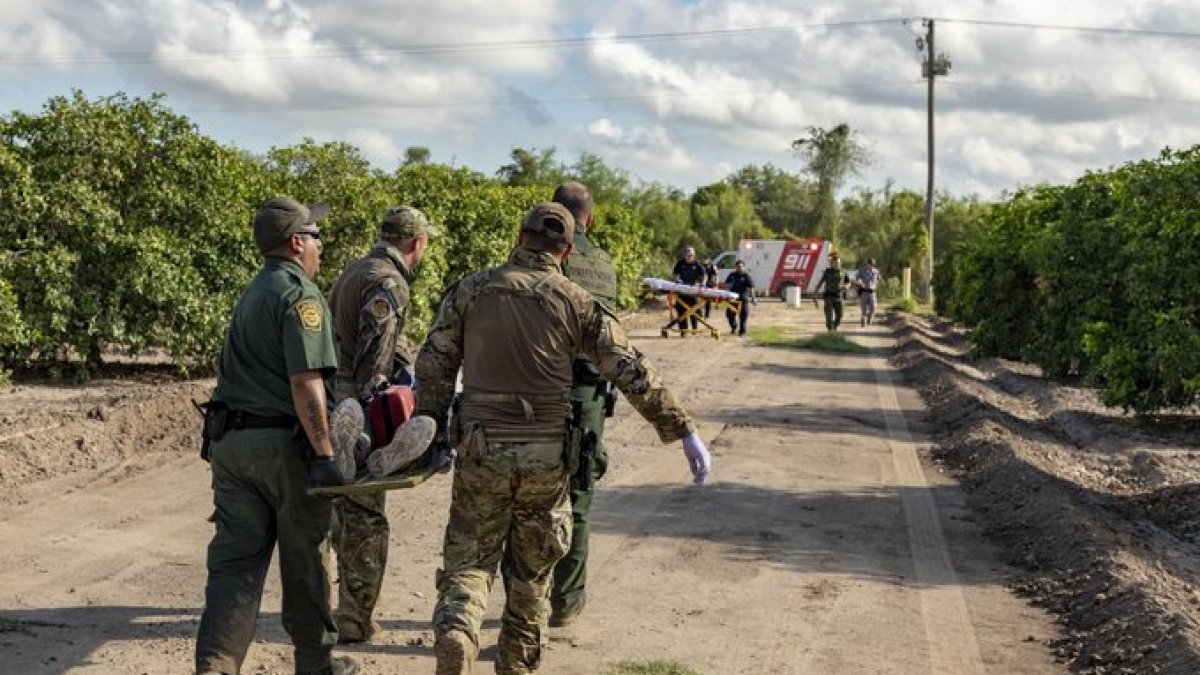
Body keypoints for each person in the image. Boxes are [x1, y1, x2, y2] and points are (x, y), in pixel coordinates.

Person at [416, 203, 712, 675]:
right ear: (568, 250)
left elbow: (434, 362)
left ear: (520, 235)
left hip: (481, 447)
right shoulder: (576, 300)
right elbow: (629, 368)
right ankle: (516, 666)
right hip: (547, 456)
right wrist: (681, 428)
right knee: (533, 576)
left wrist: (428, 428)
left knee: (470, 557)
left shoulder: (470, 290)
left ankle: (459, 627)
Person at [195, 196, 358, 675]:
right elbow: (306, 381)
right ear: (295, 242)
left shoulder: (255, 290)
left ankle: (216, 665)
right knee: (304, 561)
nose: (320, 246)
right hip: (280, 448)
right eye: (315, 236)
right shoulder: (300, 296)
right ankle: (316, 665)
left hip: (231, 446)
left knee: (234, 565)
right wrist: (325, 452)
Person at [325, 205, 437, 644]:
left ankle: (333, 607)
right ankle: (355, 618)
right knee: (365, 515)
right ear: (417, 244)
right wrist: (379, 411)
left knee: (338, 508)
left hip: (332, 395)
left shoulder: (355, 269)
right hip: (356, 401)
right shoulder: (388, 283)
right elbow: (375, 356)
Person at [548, 182, 616, 629]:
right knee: (577, 500)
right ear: (589, 219)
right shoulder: (604, 264)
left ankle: (526, 599)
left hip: (539, 390)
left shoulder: (549, 256)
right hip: (588, 395)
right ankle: (567, 603)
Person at [670, 246, 706, 335]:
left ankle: (694, 328)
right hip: (682, 290)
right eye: (687, 255)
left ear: (693, 255)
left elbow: (704, 275)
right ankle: (683, 331)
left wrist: (703, 284)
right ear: (684, 255)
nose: (689, 257)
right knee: (681, 310)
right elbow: (674, 274)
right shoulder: (680, 263)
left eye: (691, 255)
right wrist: (677, 280)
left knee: (694, 310)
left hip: (693, 290)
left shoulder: (697, 264)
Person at [814, 255, 847, 331]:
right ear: (831, 263)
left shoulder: (843, 271)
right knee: (829, 315)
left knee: (840, 315)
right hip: (828, 297)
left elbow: (847, 282)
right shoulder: (827, 272)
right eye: (835, 263)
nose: (837, 264)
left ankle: (834, 326)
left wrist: (847, 286)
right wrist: (815, 294)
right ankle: (830, 329)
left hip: (839, 297)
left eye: (838, 263)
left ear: (840, 263)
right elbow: (820, 283)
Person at [723, 260, 756, 336]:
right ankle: (734, 326)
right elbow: (726, 285)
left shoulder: (746, 276)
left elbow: (752, 287)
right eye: (738, 266)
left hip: (743, 298)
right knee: (729, 314)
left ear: (744, 267)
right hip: (732, 298)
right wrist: (728, 287)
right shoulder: (731, 275)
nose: (739, 268)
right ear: (735, 267)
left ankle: (742, 331)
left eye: (741, 266)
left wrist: (753, 298)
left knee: (743, 315)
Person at [856, 258, 880, 326]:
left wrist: (878, 282)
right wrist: (860, 282)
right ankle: (863, 319)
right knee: (864, 308)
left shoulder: (876, 271)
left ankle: (870, 316)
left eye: (873, 264)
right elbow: (858, 277)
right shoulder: (862, 270)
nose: (872, 265)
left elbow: (879, 278)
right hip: (864, 291)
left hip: (872, 292)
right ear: (868, 264)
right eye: (871, 264)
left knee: (873, 307)